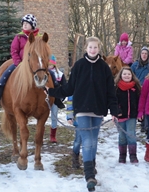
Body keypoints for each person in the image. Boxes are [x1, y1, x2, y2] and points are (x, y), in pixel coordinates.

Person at [45, 36, 118, 192]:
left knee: (94, 141)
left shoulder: (104, 68)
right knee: (87, 141)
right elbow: (69, 88)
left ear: (99, 49)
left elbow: (110, 91)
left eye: (95, 47)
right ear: (86, 48)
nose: (93, 50)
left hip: (98, 110)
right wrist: (51, 91)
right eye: (90, 47)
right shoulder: (79, 66)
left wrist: (114, 111)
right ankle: (89, 175)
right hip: (82, 110)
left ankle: (90, 165)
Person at [0, 14, 38, 108]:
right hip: (20, 63)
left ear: (32, 25)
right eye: (23, 23)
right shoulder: (19, 37)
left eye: (27, 23)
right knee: (3, 77)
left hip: (34, 64)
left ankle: (56, 99)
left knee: (51, 75)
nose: (25, 25)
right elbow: (14, 50)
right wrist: (18, 62)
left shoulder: (38, 37)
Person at [114, 67, 141, 164]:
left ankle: (133, 155)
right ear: (121, 75)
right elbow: (113, 101)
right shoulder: (116, 87)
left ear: (132, 75)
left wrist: (140, 113)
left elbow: (140, 101)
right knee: (122, 135)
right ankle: (122, 155)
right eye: (124, 74)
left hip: (132, 115)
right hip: (120, 116)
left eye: (129, 74)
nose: (127, 76)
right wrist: (116, 111)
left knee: (131, 134)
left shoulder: (136, 87)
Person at [131, 46, 149, 133]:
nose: (144, 55)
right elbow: (131, 76)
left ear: (148, 55)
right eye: (143, 53)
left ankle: (146, 126)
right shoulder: (135, 65)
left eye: (146, 54)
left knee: (147, 107)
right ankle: (142, 123)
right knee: (140, 107)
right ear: (140, 54)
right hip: (138, 88)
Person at [48, 54, 67, 143]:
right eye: (47, 64)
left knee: (54, 116)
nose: (49, 66)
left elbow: (64, 87)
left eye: (50, 64)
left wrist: (62, 97)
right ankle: (41, 132)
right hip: (44, 99)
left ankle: (53, 136)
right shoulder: (43, 73)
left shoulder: (59, 74)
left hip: (55, 99)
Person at [66, 95, 82, 169]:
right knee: (78, 140)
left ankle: (91, 162)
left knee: (91, 142)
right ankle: (75, 158)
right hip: (79, 117)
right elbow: (70, 101)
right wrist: (69, 116)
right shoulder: (76, 84)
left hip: (91, 116)